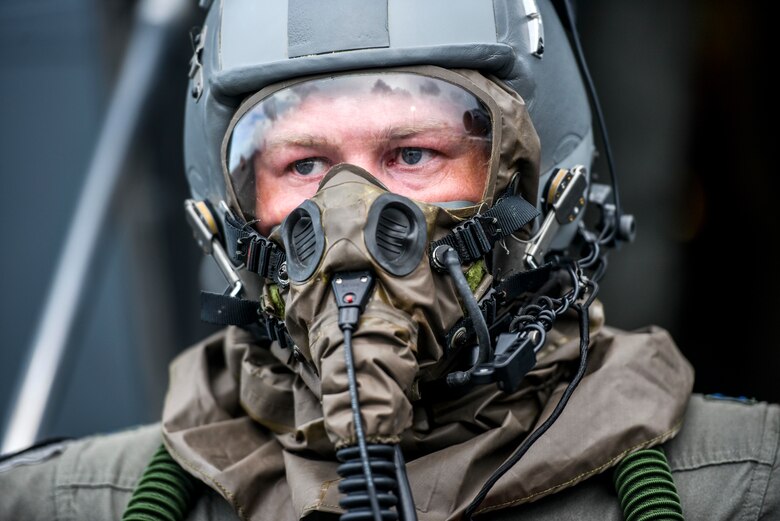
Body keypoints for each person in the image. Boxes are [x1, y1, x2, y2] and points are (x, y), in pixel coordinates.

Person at [1, 1, 779, 520]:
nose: (354, 217)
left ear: (533, 189)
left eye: (412, 153)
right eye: (303, 165)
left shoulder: (741, 486)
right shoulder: (64, 502)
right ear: (231, 216)